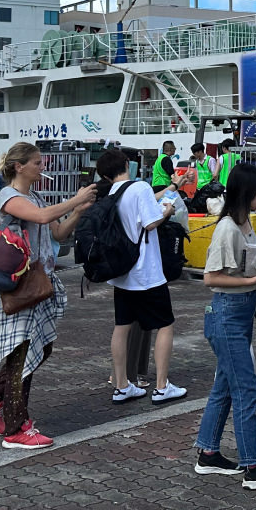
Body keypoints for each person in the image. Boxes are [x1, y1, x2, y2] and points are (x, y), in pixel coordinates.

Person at [0, 143, 96, 449]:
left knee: (39, 349)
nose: (42, 168)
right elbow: (41, 218)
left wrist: (78, 212)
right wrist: (75, 199)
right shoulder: (9, 196)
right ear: (19, 167)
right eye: (37, 163)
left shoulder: (35, 197)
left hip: (38, 282)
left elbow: (56, 233)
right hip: (19, 285)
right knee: (22, 353)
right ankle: (16, 427)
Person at [193, 162, 256, 490]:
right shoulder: (227, 229)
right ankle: (253, 466)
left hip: (238, 314)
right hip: (226, 315)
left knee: (225, 386)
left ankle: (208, 452)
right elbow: (210, 278)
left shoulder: (244, 222)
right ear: (248, 192)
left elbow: (245, 265)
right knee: (246, 390)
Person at [100, 148, 188, 405]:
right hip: (146, 271)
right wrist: (168, 212)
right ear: (127, 164)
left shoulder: (113, 192)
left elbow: (146, 202)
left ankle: (121, 385)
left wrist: (170, 189)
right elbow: (150, 222)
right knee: (165, 324)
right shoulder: (137, 187)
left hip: (122, 272)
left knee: (122, 326)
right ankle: (161, 386)